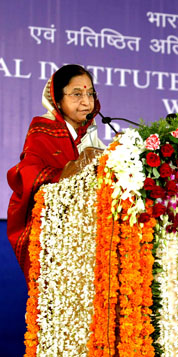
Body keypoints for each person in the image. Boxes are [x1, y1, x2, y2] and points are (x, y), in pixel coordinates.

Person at [7, 64, 106, 282]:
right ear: (57, 100)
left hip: (91, 239)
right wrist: (67, 173)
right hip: (57, 237)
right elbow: (28, 173)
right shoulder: (42, 130)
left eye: (90, 94)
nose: (86, 101)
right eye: (77, 94)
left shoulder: (92, 137)